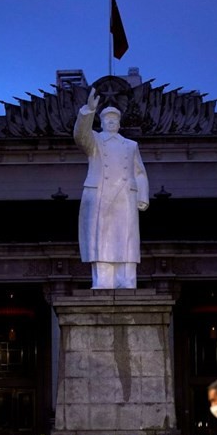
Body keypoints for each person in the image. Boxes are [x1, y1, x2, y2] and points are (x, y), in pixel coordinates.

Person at [72, 86, 149, 289]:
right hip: (101, 193)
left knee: (126, 239)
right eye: (107, 119)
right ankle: (104, 281)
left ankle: (127, 280)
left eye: (115, 119)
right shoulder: (95, 142)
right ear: (102, 122)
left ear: (119, 123)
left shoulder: (131, 145)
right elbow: (80, 136)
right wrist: (87, 110)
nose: (111, 121)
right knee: (102, 239)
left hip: (125, 195)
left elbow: (139, 172)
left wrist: (143, 196)